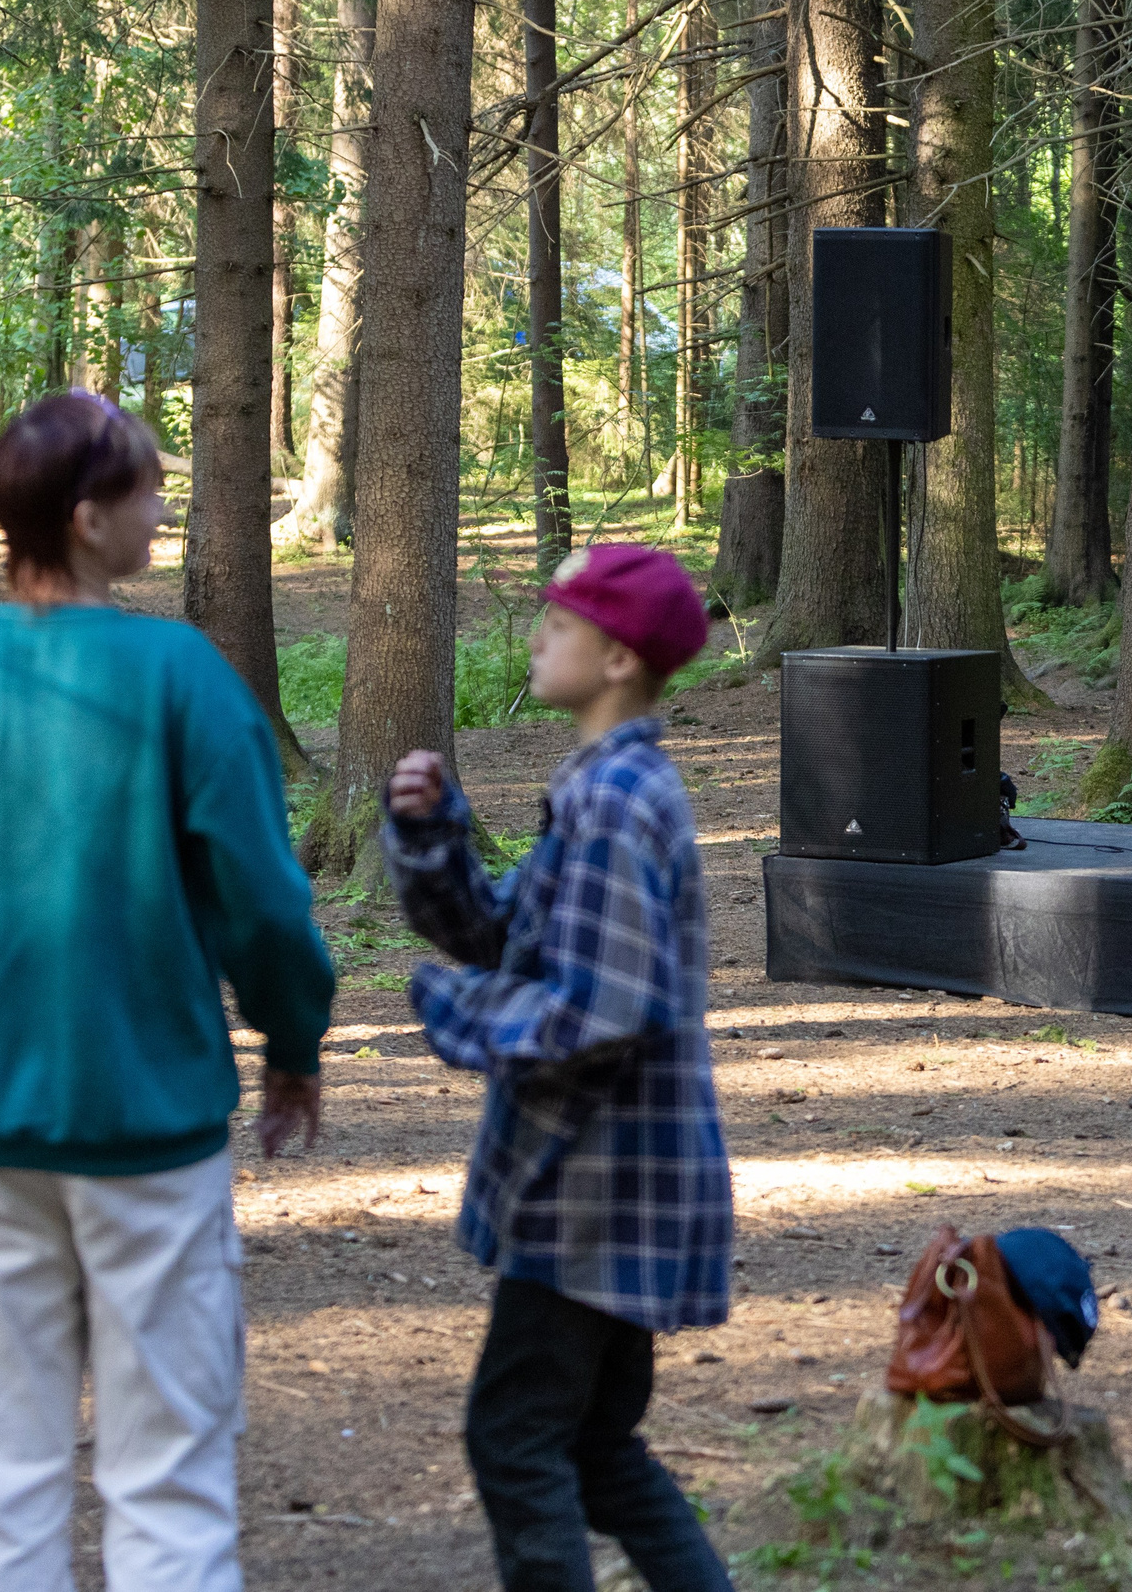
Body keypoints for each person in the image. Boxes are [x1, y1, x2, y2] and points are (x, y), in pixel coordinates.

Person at [0, 392, 334, 1591]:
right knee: (171, 1481)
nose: (162, 509)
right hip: (152, 1143)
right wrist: (293, 1044)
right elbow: (263, 902)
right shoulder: (182, 674)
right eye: (148, 489)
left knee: (0, 1477)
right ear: (89, 519)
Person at [383, 543, 734, 1592]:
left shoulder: (617, 802)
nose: (538, 638)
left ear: (617, 658)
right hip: (606, 1186)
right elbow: (512, 938)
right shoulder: (602, 785)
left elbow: (601, 1009)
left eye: (560, 624)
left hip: (594, 1190)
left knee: (516, 1439)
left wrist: (454, 1010)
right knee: (594, 1448)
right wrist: (433, 837)